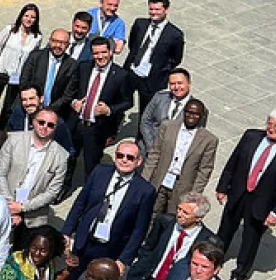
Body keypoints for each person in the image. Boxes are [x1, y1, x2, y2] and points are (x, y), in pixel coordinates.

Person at [214, 108, 276, 280]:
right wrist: (223, 187)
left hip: (262, 202)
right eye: (269, 124)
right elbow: (233, 162)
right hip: (239, 193)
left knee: (250, 239)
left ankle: (240, 273)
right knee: (225, 229)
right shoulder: (251, 136)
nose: (271, 129)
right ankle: (215, 257)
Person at [62, 141, 156, 280]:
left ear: (138, 161)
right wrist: (66, 232)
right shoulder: (100, 172)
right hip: (84, 242)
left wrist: (124, 260)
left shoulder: (145, 191)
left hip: (110, 249)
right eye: (120, 155)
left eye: (130, 157)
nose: (124, 160)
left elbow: (139, 230)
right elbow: (80, 203)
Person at [64, 37, 134, 180]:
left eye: (103, 52)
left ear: (110, 52)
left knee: (91, 166)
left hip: (97, 128)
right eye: (96, 53)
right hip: (76, 124)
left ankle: (89, 190)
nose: (100, 57)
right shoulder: (83, 67)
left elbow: (128, 102)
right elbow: (70, 90)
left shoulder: (121, 75)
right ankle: (65, 186)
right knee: (68, 160)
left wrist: (109, 110)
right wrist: (73, 102)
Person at [0, 108, 70, 234]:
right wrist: (10, 204)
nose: (45, 127)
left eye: (50, 125)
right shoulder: (14, 140)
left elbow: (52, 192)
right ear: (34, 121)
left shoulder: (61, 156)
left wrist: (23, 207)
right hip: (3, 204)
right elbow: (0, 173)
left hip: (34, 216)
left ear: (55, 128)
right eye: (41, 122)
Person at [142, 99, 218, 214]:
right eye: (188, 112)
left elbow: (205, 170)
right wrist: (144, 180)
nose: (191, 116)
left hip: (183, 187)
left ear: (202, 116)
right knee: (150, 213)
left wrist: (194, 195)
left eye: (196, 114)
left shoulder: (209, 140)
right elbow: (155, 153)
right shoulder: (168, 126)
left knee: (173, 217)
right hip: (160, 179)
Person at [125, 0, 186, 111]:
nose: (153, 13)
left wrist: (160, 69)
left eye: (157, 9)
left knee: (146, 111)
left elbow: (176, 58)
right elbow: (132, 44)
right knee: (121, 102)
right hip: (132, 71)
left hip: (152, 79)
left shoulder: (174, 34)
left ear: (166, 10)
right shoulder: (140, 24)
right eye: (151, 9)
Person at [0, 4, 44, 117]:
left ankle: (2, 126)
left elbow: (33, 58)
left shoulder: (37, 37)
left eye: (32, 17)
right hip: (1, 71)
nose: (29, 19)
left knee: (8, 107)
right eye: (26, 16)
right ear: (21, 16)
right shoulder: (9, 30)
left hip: (17, 76)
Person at [139, 68, 204, 152]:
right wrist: (151, 146)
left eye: (180, 83)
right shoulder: (159, 97)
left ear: (189, 84)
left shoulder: (197, 108)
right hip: (149, 147)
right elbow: (145, 121)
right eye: (172, 84)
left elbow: (196, 136)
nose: (176, 87)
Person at [18, 28, 76, 114]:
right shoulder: (35, 56)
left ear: (68, 45)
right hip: (29, 107)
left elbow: (67, 95)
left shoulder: (72, 65)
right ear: (49, 41)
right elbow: (24, 81)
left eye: (62, 43)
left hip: (53, 112)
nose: (58, 45)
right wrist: (34, 103)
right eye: (55, 41)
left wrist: (48, 110)